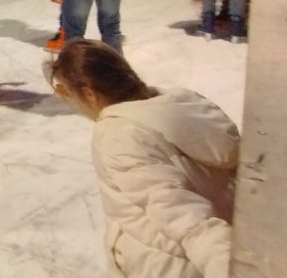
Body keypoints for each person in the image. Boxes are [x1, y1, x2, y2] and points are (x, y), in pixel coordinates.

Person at [47, 39, 238, 278]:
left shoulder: (119, 136)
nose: (70, 102)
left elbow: (183, 215)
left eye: (68, 92)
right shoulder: (183, 104)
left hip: (168, 264)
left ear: (89, 93)